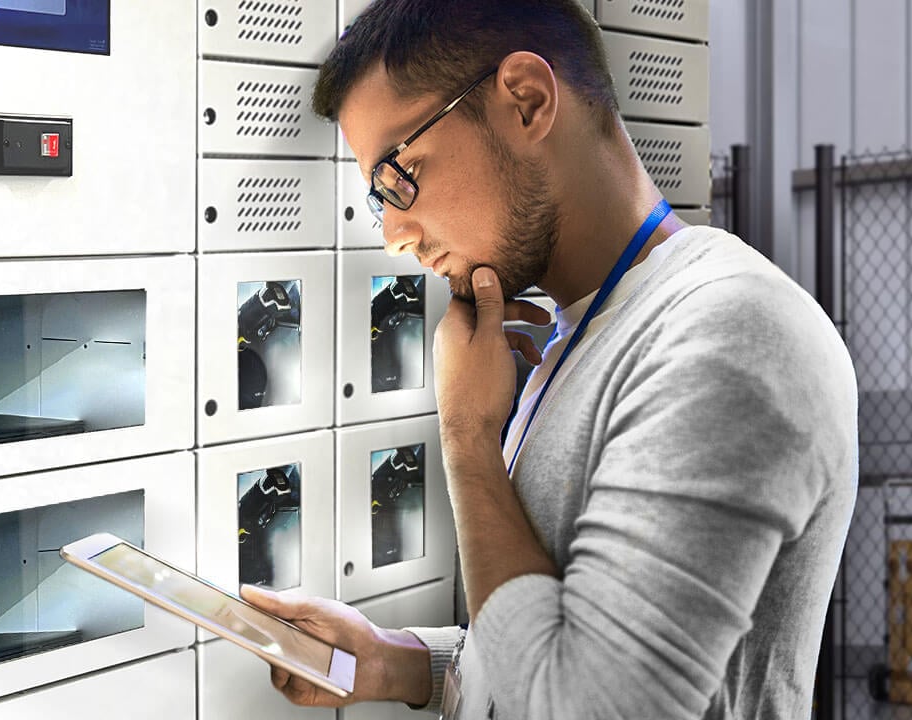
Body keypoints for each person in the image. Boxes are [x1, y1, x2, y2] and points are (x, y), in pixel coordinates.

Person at [239, 1, 859, 718]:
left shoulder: (729, 334)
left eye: (398, 176)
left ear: (526, 101)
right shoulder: (579, 327)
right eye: (378, 198)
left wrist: (469, 439)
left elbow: (585, 705)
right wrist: (398, 662)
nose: (395, 235)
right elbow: (559, 629)